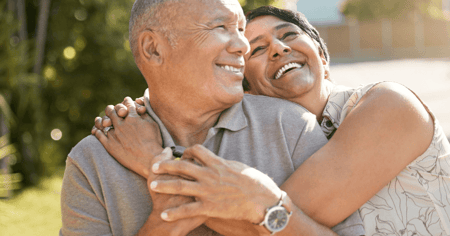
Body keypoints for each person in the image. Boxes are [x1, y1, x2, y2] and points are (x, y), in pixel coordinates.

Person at [94, 5, 450, 236]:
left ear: (323, 56)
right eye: (259, 49)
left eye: (288, 34)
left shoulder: (388, 105)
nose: (278, 48)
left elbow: (258, 224)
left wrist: (154, 162)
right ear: (245, 87)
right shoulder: (274, 143)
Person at [61, 0, 364, 235]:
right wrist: (164, 225)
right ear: (153, 49)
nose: (243, 46)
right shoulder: (92, 163)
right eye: (220, 27)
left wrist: (161, 171)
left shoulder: (292, 128)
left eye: (241, 30)